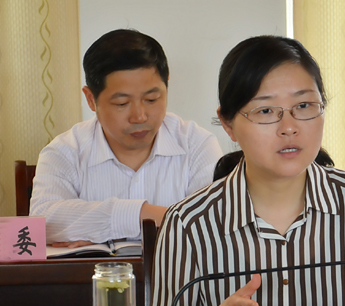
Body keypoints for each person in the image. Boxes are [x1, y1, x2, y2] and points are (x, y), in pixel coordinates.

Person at [146, 35, 345, 306]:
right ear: (228, 123)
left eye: (303, 106)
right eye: (265, 111)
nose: (289, 127)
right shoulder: (188, 222)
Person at [30, 29, 222, 246]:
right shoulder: (64, 151)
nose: (139, 116)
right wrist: (143, 214)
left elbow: (210, 226)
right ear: (91, 99)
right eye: (122, 103)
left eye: (151, 99)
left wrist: (101, 231)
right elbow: (43, 221)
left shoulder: (197, 144)